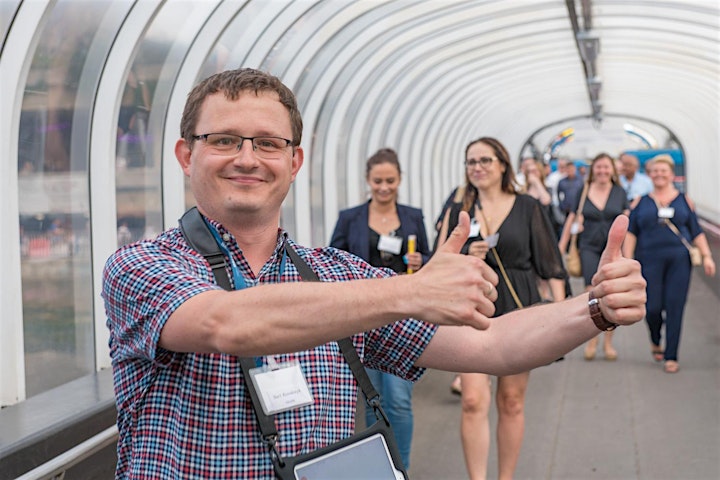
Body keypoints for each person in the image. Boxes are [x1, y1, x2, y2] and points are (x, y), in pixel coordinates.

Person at [102, 68, 646, 479]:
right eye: (223, 140)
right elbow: (224, 323)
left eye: (269, 143)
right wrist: (412, 289)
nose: (248, 157)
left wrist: (595, 307)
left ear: (294, 162)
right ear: (184, 154)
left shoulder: (337, 274)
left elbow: (494, 347)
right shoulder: (144, 265)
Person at [435, 137, 567, 480]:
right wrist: (466, 258)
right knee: (473, 400)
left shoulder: (527, 207)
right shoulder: (458, 209)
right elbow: (438, 266)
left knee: (511, 400)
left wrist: (564, 314)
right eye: (470, 162)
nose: (476, 167)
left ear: (503, 165)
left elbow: (549, 262)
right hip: (470, 308)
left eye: (484, 160)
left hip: (517, 306)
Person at [329, 147, 431, 469]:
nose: (384, 187)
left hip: (403, 314)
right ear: (367, 181)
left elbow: (429, 256)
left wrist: (422, 261)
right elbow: (333, 260)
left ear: (399, 180)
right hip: (364, 315)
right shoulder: (351, 218)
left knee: (398, 399)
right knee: (372, 398)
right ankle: (380, 468)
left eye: (390, 180)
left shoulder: (413, 216)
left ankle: (402, 468)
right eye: (378, 181)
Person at [623, 154, 716, 373]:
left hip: (679, 260)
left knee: (675, 306)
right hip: (648, 259)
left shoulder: (684, 200)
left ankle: (671, 355)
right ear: (650, 175)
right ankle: (656, 339)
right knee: (652, 307)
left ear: (672, 175)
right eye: (655, 171)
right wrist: (627, 260)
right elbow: (631, 232)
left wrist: (707, 256)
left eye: (663, 171)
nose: (659, 174)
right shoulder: (641, 201)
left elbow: (696, 231)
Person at [559, 153, 630, 361]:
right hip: (588, 246)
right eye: (598, 167)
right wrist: (561, 246)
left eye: (606, 167)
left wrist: (630, 251)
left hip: (613, 249)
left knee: (611, 295)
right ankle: (592, 340)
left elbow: (627, 221)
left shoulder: (619, 192)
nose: (602, 171)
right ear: (593, 170)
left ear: (612, 170)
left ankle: (608, 343)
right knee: (592, 293)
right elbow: (571, 217)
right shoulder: (583, 190)